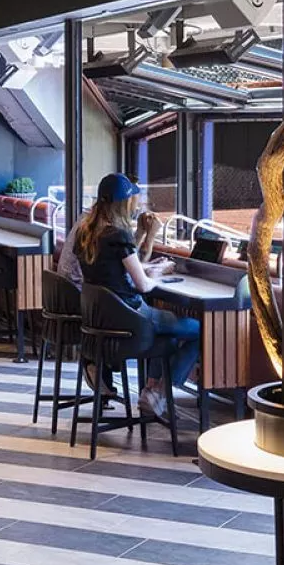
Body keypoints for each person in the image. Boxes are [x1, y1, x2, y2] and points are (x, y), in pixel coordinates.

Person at [74, 172, 201, 418]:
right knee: (199, 331)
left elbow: (112, 271)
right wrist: (157, 275)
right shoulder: (117, 236)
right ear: (123, 203)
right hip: (131, 317)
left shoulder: (86, 232)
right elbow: (142, 286)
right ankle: (160, 393)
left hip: (104, 321)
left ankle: (151, 392)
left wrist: (152, 269)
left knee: (169, 340)